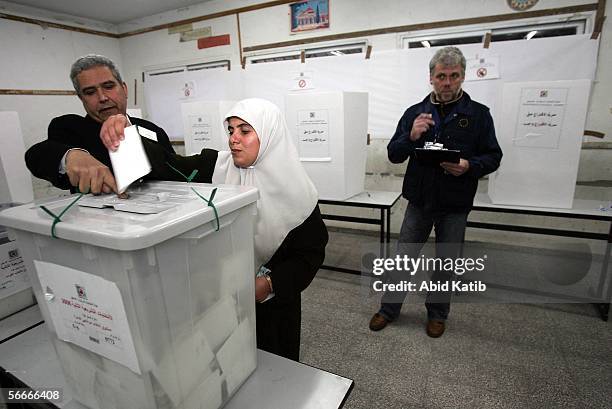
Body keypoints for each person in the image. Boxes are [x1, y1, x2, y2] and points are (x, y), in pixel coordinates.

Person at [101, 98, 328, 360]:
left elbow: (309, 255)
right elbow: (169, 164)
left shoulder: (298, 191)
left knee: (273, 365)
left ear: (269, 135)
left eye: (245, 131)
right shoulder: (216, 167)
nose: (234, 139)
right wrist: (126, 132)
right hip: (218, 295)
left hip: (272, 306)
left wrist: (267, 284)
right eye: (230, 130)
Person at [368, 46, 502, 337]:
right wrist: (411, 135)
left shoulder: (478, 115)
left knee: (446, 261)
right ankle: (388, 309)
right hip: (419, 200)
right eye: (441, 75)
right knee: (403, 257)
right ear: (431, 77)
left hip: (455, 203)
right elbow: (393, 154)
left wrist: (469, 165)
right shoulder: (414, 113)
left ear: (463, 77)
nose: (447, 82)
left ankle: (438, 313)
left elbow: (494, 156)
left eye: (454, 76)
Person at [24, 54, 175, 194]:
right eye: (90, 92)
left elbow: (176, 173)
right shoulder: (69, 128)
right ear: (81, 98)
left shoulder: (152, 129)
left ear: (124, 89)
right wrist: (69, 156)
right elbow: (38, 155)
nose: (102, 97)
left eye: (109, 86)